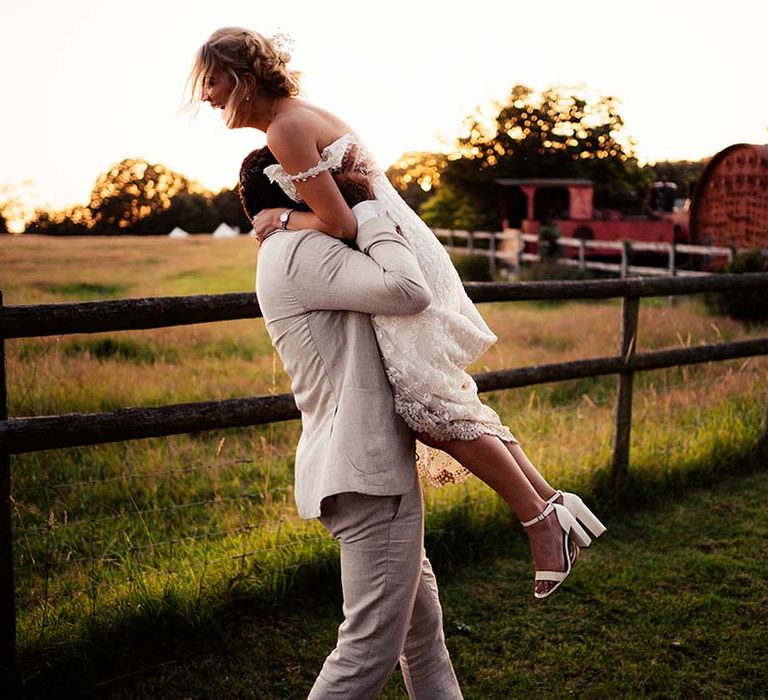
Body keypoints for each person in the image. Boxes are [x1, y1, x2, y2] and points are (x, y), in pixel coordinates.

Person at [187, 27, 605, 603]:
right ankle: (553, 505)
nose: (206, 96)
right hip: (398, 245)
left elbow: (339, 223)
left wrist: (279, 223)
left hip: (390, 253)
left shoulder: (287, 129)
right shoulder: (299, 117)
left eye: (210, 81)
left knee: (427, 403)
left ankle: (539, 519)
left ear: (242, 78)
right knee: (441, 394)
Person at [240, 146, 463, 698]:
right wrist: (364, 205)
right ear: (301, 188)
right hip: (367, 470)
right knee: (366, 653)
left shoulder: (289, 245)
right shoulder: (301, 251)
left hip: (357, 462)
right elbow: (410, 291)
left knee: (423, 636)